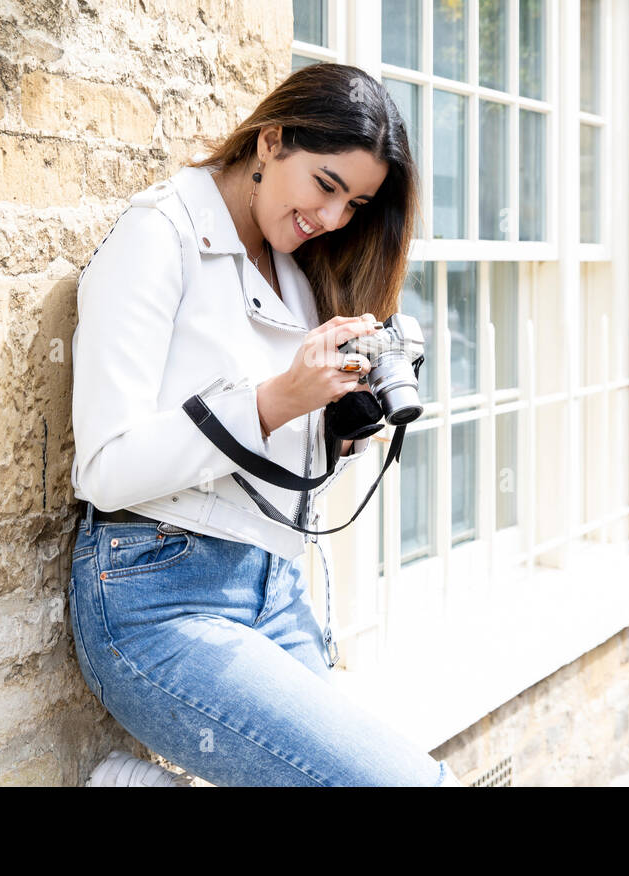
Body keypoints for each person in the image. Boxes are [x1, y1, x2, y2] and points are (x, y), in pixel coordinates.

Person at [67, 63, 463, 787]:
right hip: (155, 599)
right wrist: (276, 399)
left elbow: (266, 459)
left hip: (275, 587)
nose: (334, 219)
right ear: (272, 140)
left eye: (357, 204)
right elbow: (106, 465)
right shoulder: (158, 235)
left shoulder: (302, 271)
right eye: (327, 186)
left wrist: (339, 432)